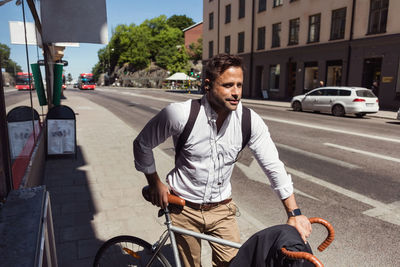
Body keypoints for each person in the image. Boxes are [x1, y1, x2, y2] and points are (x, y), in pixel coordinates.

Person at [133, 54, 311, 267]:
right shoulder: (180, 114)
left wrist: (295, 213)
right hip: (184, 208)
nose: (236, 92)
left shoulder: (249, 121)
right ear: (208, 85)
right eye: (227, 85)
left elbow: (273, 166)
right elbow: (142, 143)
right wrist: (155, 182)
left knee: (235, 264)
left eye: (239, 85)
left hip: (222, 210)